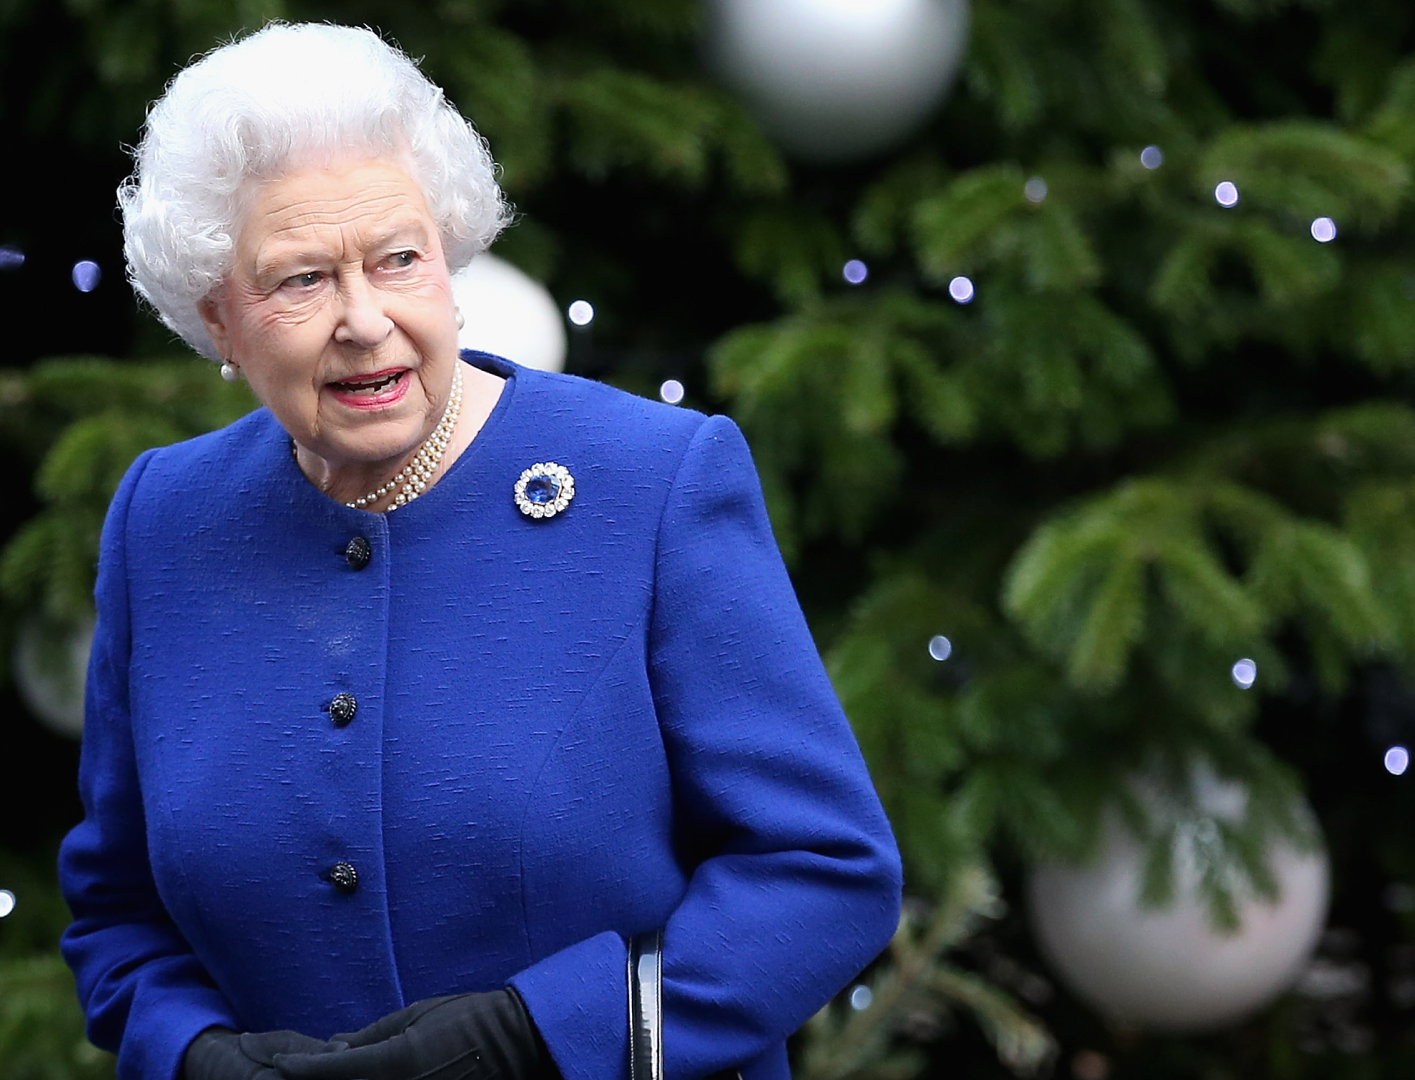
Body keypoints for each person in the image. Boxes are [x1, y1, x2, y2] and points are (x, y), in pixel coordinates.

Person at [57, 22, 902, 1080]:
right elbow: (117, 910)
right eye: (304, 280)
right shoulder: (164, 520)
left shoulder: (651, 480)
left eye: (399, 259)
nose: (366, 319)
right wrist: (189, 1054)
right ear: (220, 317)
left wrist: (540, 1038)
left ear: (450, 258)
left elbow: (827, 871)